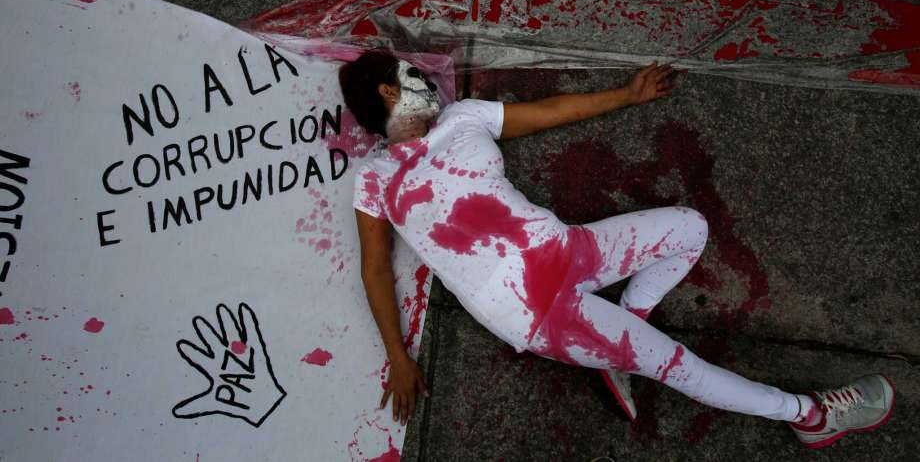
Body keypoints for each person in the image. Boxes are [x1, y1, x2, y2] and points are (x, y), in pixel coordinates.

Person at [339, 48, 895, 450]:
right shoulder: (375, 178)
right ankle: (809, 415)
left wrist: (628, 95)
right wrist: (398, 355)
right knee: (679, 365)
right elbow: (374, 269)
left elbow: (554, 112)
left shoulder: (464, 119)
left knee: (690, 228)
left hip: (570, 248)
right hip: (534, 313)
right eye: (411, 70)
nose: (428, 77)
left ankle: (628, 322)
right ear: (390, 91)